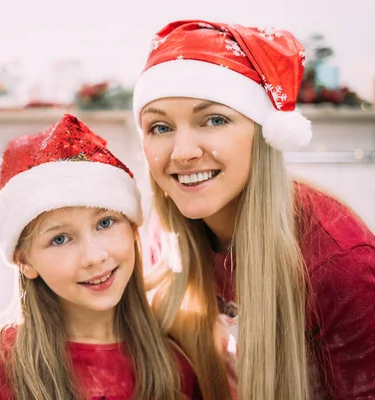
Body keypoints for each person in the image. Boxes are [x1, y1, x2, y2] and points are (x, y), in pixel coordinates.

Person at [133, 20, 375, 400]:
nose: (182, 152)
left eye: (214, 120)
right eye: (160, 127)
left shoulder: (340, 265)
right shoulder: (168, 236)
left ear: (264, 134)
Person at [0, 114, 199, 400]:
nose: (93, 257)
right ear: (25, 262)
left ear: (132, 228)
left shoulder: (175, 362)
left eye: (105, 223)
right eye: (60, 239)